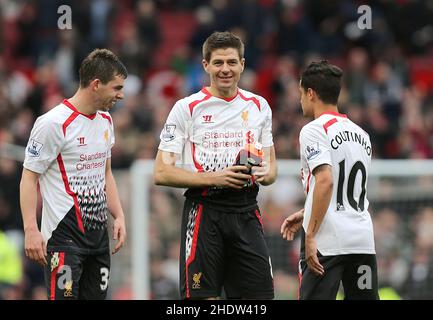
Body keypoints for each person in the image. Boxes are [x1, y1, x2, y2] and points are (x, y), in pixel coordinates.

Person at [154, 31, 277, 299]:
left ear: (242, 65)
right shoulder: (186, 108)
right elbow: (161, 171)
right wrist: (216, 178)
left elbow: (271, 170)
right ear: (205, 65)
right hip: (205, 211)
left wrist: (263, 173)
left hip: (246, 211)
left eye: (232, 62)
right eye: (218, 62)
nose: (225, 69)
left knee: (261, 298)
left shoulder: (259, 106)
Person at [20, 49, 127, 300]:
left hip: (98, 241)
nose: (121, 95)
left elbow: (106, 173)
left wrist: (119, 214)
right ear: (96, 84)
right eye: (117, 88)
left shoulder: (105, 120)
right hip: (63, 240)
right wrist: (30, 230)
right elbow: (28, 177)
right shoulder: (53, 123)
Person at [280, 60, 379, 300]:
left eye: (301, 93)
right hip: (362, 241)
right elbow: (348, 190)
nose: (300, 99)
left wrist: (311, 233)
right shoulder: (362, 135)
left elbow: (326, 181)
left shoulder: (314, 130)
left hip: (328, 241)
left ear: (311, 93)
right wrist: (307, 211)